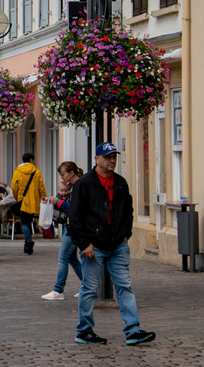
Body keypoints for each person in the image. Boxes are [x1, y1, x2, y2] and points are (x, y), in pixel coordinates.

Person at [67, 142, 154, 345]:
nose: (111, 161)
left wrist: (126, 234)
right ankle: (84, 330)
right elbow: (75, 217)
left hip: (117, 245)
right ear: (97, 159)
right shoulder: (85, 184)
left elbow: (128, 211)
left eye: (114, 156)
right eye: (107, 157)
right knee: (90, 288)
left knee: (125, 285)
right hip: (93, 246)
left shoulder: (121, 183)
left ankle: (133, 330)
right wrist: (84, 244)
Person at [42, 160, 85, 300]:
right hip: (70, 225)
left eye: (63, 174)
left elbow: (75, 209)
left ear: (71, 173)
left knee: (63, 258)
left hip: (74, 227)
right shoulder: (71, 186)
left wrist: (58, 202)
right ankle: (88, 286)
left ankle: (58, 290)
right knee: (72, 258)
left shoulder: (78, 186)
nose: (62, 177)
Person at [10, 152, 46, 256]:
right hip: (33, 201)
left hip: (23, 201)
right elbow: (41, 186)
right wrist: (43, 196)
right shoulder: (37, 172)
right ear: (31, 160)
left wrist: (17, 197)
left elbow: (14, 187)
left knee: (23, 222)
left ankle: (28, 241)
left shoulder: (18, 171)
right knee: (29, 221)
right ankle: (27, 244)